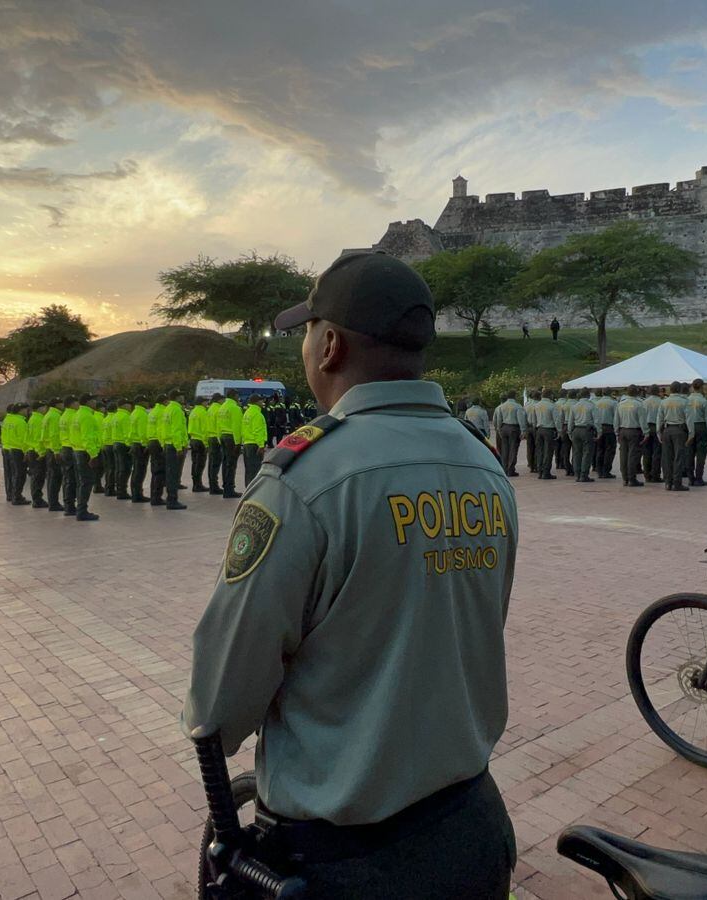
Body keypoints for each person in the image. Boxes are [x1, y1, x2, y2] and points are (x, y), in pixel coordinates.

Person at [184, 251, 517, 899]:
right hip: (471, 826)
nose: (306, 346)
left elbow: (219, 704)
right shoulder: (483, 466)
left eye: (308, 331)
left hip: (347, 860)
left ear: (330, 344)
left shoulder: (305, 479)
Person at [655, 383, 691, 491]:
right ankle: (677, 483)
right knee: (678, 457)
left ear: (670, 390)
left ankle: (668, 483)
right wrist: (691, 434)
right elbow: (689, 419)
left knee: (666, 458)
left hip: (667, 430)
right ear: (680, 390)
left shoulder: (664, 402)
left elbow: (659, 418)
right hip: (680, 431)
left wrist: (659, 432)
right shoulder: (685, 402)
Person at [71, 394, 100, 521]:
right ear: (88, 402)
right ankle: (82, 511)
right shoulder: (87, 416)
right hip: (85, 452)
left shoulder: (77, 414)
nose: (96, 402)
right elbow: (87, 437)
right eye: (94, 400)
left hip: (77, 450)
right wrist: (93, 455)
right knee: (86, 482)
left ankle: (80, 509)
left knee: (81, 482)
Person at [161, 390, 189, 511]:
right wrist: (179, 447)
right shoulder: (177, 410)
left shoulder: (167, 409)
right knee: (174, 473)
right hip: (174, 445)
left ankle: (170, 498)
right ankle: (172, 500)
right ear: (178, 397)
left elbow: (163, 428)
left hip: (168, 443)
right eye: (181, 396)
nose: (183, 398)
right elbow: (177, 430)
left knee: (170, 472)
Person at [613, 387, 644, 486]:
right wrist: (646, 432)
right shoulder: (639, 404)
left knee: (623, 455)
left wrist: (617, 432)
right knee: (632, 456)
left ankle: (625, 478)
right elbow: (642, 421)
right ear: (637, 393)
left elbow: (616, 420)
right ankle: (632, 479)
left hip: (622, 431)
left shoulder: (620, 404)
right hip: (634, 431)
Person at [217, 390, 244, 499]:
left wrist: (219, 438)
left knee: (225, 463)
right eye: (237, 395)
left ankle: (226, 487)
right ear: (234, 396)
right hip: (231, 437)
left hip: (223, 436)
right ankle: (229, 489)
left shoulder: (222, 407)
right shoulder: (235, 408)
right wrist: (238, 443)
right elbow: (236, 426)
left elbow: (218, 424)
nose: (238, 398)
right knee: (231, 464)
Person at [1, 403, 30, 505]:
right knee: (19, 474)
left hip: (6, 448)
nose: (27, 412)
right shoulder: (21, 422)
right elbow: (23, 439)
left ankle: (10, 494)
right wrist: (26, 452)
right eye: (26, 410)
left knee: (9, 473)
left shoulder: (7, 420)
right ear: (21, 410)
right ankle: (17, 496)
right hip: (17, 450)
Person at [57, 395, 80, 515]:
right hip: (71, 448)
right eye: (77, 402)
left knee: (67, 478)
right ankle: (70, 506)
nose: (79, 405)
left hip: (64, 447)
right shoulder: (73, 416)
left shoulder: (63, 416)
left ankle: (68, 504)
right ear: (72, 404)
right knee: (72, 479)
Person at [492, 392, 524, 477]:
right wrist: (523, 431)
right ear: (515, 396)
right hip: (514, 429)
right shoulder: (518, 406)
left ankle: (504, 468)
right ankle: (511, 470)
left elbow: (498, 419)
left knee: (505, 450)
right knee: (513, 449)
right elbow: (521, 420)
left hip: (504, 428)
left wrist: (499, 430)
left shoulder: (501, 407)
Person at [687, 379, 707, 486]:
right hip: (701, 427)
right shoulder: (705, 402)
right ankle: (699, 478)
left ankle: (690, 478)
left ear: (692, 387)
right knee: (701, 455)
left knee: (689, 454)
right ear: (702, 387)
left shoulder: (686, 400)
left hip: (689, 427)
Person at [26, 399, 49, 508]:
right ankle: (37, 499)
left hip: (32, 449)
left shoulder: (32, 418)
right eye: (44, 407)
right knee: (38, 476)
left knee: (36, 476)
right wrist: (41, 453)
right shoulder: (39, 420)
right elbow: (38, 438)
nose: (46, 409)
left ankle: (37, 498)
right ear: (39, 408)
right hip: (37, 451)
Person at [241, 394, 268, 484]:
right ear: (257, 402)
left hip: (247, 443)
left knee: (249, 469)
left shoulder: (247, 412)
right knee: (256, 469)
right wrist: (261, 445)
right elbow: (258, 431)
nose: (263, 402)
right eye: (261, 401)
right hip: (254, 444)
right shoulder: (257, 414)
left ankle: (248, 488)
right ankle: (254, 491)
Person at [128, 396, 151, 503]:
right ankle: (138, 494)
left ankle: (135, 493)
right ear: (141, 402)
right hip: (140, 445)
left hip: (134, 443)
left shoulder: (133, 413)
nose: (147, 404)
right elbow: (143, 432)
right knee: (140, 471)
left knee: (135, 470)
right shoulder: (142, 414)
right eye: (146, 401)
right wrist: (146, 444)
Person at [109, 399, 132, 500]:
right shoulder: (125, 416)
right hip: (123, 444)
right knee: (125, 469)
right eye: (128, 404)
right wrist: (129, 445)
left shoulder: (115, 416)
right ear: (123, 405)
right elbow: (127, 433)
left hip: (115, 443)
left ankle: (119, 489)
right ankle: (122, 491)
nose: (130, 406)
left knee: (118, 468)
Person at [188, 397, 212, 492]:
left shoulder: (193, 412)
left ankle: (195, 483)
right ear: (202, 403)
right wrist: (206, 444)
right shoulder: (203, 413)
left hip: (193, 439)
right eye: (206, 402)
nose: (207, 404)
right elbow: (205, 429)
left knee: (194, 463)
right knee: (200, 464)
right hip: (200, 440)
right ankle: (198, 485)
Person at [533, 390, 558, 479]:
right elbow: (556, 420)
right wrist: (558, 430)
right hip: (549, 430)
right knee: (548, 451)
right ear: (550, 395)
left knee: (539, 451)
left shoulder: (536, 405)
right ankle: (546, 472)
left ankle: (540, 471)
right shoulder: (552, 406)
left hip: (539, 429)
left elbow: (534, 419)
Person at [593, 390, 616, 478]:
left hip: (598, 427)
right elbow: (615, 417)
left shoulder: (596, 403)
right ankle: (606, 471)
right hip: (609, 428)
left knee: (600, 450)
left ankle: (599, 470)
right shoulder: (613, 403)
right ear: (610, 393)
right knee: (609, 450)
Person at [642, 385, 663, 484]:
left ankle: (647, 475)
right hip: (657, 428)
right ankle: (655, 475)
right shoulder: (661, 402)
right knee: (657, 453)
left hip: (646, 428)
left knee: (646, 453)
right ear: (658, 392)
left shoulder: (643, 402)